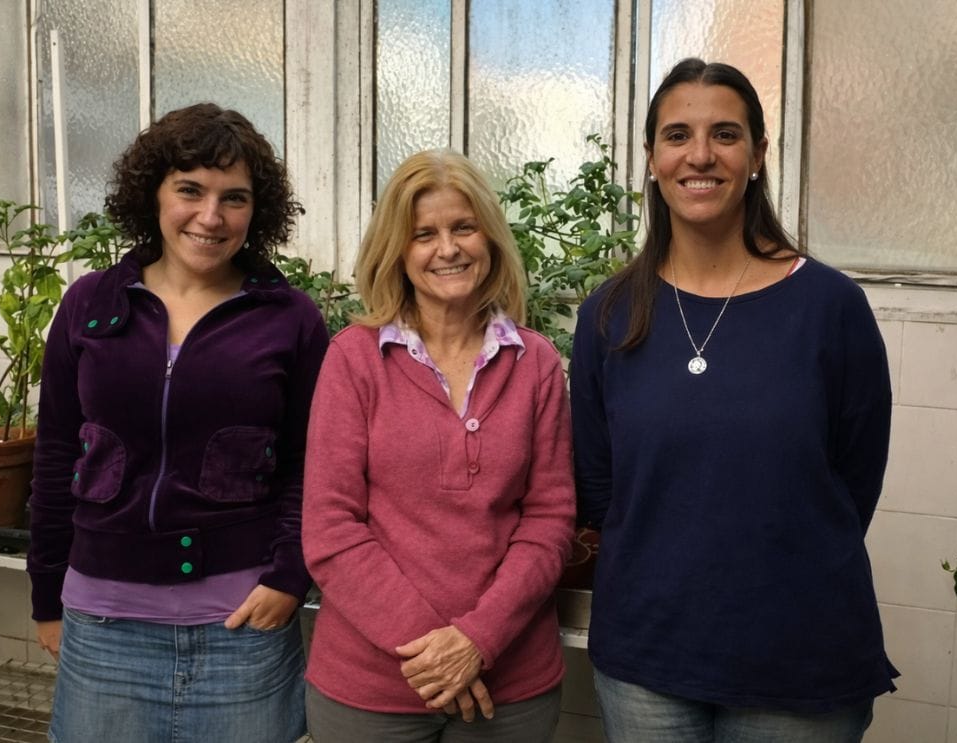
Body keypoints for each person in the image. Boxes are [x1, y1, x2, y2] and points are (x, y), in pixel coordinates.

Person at [570, 58, 896, 742]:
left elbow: (852, 484)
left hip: (799, 659)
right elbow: (600, 488)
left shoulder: (830, 308)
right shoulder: (610, 313)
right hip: (647, 659)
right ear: (651, 158)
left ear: (757, 154)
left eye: (724, 134)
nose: (700, 155)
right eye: (677, 135)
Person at [27, 103, 328, 742]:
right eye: (190, 189)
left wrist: (287, 577)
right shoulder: (90, 304)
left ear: (258, 210)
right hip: (104, 625)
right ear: (154, 193)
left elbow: (312, 462)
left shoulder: (289, 318)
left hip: (243, 628)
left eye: (234, 198)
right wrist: (46, 594)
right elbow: (55, 456)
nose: (210, 217)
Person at [302, 149, 574, 742]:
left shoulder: (536, 363)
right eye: (423, 234)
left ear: (490, 237)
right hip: (370, 690)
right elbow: (331, 529)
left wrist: (478, 639)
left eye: (463, 228)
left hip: (511, 686)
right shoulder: (353, 359)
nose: (447, 249)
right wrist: (440, 654)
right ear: (397, 251)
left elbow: (549, 521)